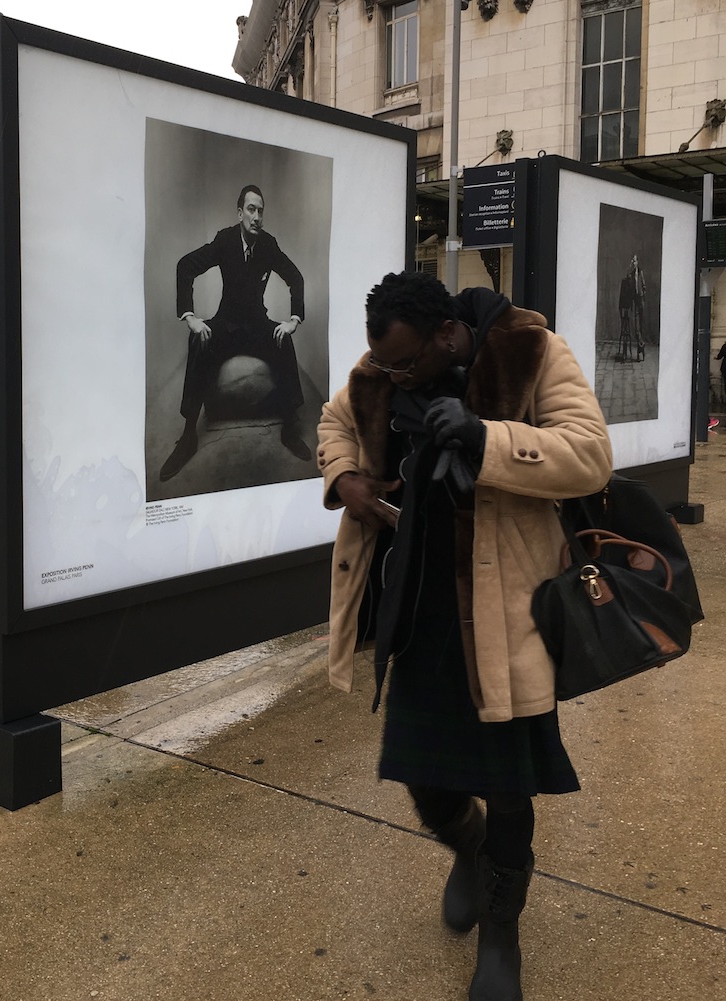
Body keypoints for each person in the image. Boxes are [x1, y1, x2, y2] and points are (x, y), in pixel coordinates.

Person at [317, 271, 612, 1001]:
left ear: (448, 335)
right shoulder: (382, 367)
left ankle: (502, 932)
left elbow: (591, 453)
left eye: (405, 364)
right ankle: (470, 846)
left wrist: (488, 439)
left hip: (506, 613)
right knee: (424, 776)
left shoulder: (530, 351)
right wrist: (347, 477)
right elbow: (332, 422)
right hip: (418, 613)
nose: (391, 376)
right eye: (383, 365)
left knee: (508, 786)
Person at [159, 184, 311, 481]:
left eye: (261, 211)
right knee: (198, 339)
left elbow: (296, 277)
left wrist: (293, 320)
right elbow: (185, 266)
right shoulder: (225, 240)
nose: (257, 217)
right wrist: (190, 317)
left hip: (256, 325)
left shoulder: (268, 244)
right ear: (240, 213)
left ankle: (289, 429)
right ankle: (189, 435)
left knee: (284, 341)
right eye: (251, 210)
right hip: (226, 324)